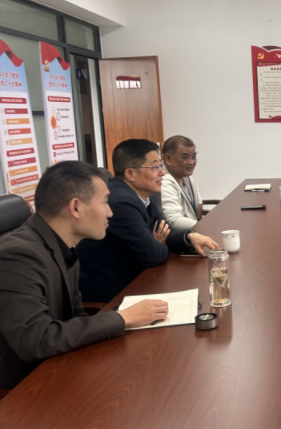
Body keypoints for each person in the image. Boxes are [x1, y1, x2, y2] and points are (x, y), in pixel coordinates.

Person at [0, 161, 170, 390]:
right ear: (76, 207)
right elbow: (36, 341)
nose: (110, 212)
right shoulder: (18, 255)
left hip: (62, 364)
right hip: (26, 389)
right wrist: (122, 318)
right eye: (105, 202)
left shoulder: (64, 245)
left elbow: (76, 317)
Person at [77, 139, 218, 303]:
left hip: (138, 280)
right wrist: (157, 243)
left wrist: (188, 237)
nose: (162, 173)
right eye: (155, 167)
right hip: (113, 296)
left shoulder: (141, 196)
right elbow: (152, 255)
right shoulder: (121, 202)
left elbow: (166, 231)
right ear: (130, 174)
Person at [161, 135, 202, 229]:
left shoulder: (187, 177)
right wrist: (203, 227)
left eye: (193, 157)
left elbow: (198, 205)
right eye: (185, 157)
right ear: (167, 158)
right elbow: (174, 220)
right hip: (179, 235)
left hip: (193, 229)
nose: (191, 162)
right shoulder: (162, 181)